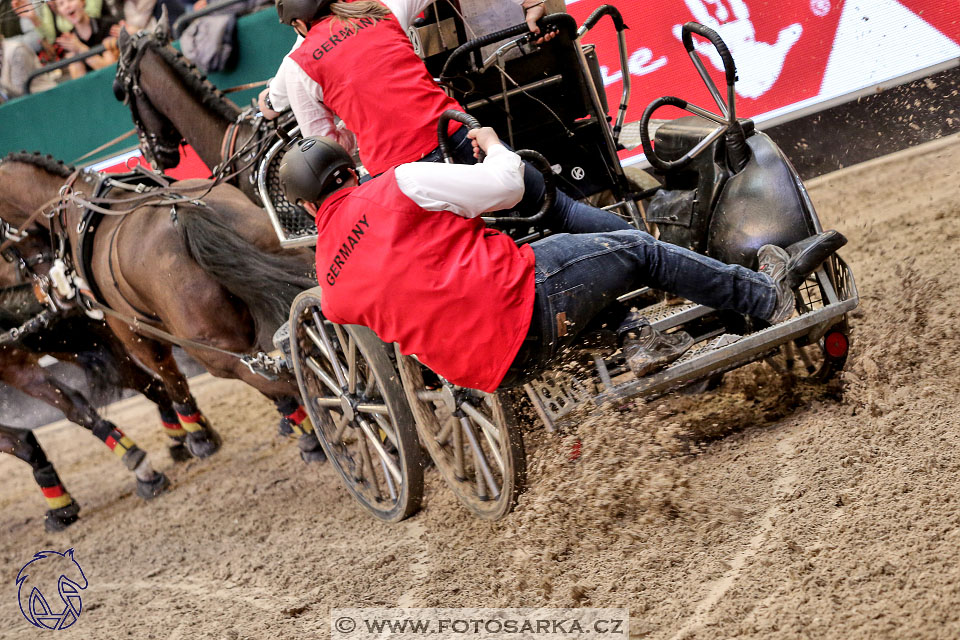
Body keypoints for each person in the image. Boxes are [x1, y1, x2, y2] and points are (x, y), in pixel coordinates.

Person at [278, 132, 846, 392]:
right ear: (350, 170)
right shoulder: (397, 184)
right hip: (524, 304)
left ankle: (635, 339)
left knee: (569, 272)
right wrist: (493, 145)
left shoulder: (331, 284)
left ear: (306, 207)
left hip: (492, 374)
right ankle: (766, 296)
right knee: (634, 249)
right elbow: (506, 186)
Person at [261, 0, 631, 236]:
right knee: (562, 211)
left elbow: (328, 150)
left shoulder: (297, 65)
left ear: (299, 24)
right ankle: (646, 253)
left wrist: (355, 124)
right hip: (461, 137)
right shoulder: (381, 8)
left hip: (403, 179)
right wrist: (533, 2)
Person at [52, 0, 118, 77]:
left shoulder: (108, 26)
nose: (67, 6)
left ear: (82, 1)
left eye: (70, 0)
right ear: (59, 12)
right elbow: (78, 80)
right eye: (61, 4)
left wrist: (80, 48)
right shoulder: (70, 41)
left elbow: (111, 72)